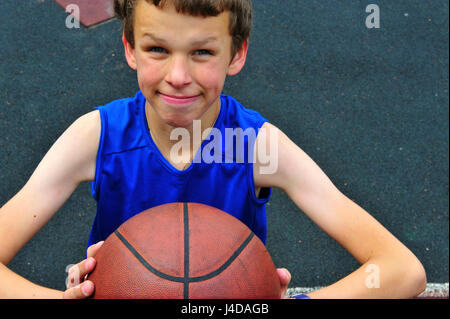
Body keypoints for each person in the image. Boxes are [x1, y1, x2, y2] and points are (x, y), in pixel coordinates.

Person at [0, 0, 426, 299]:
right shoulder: (97, 137)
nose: (179, 75)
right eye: (157, 50)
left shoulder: (255, 146)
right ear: (130, 48)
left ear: (236, 54)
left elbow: (402, 270)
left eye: (202, 52)